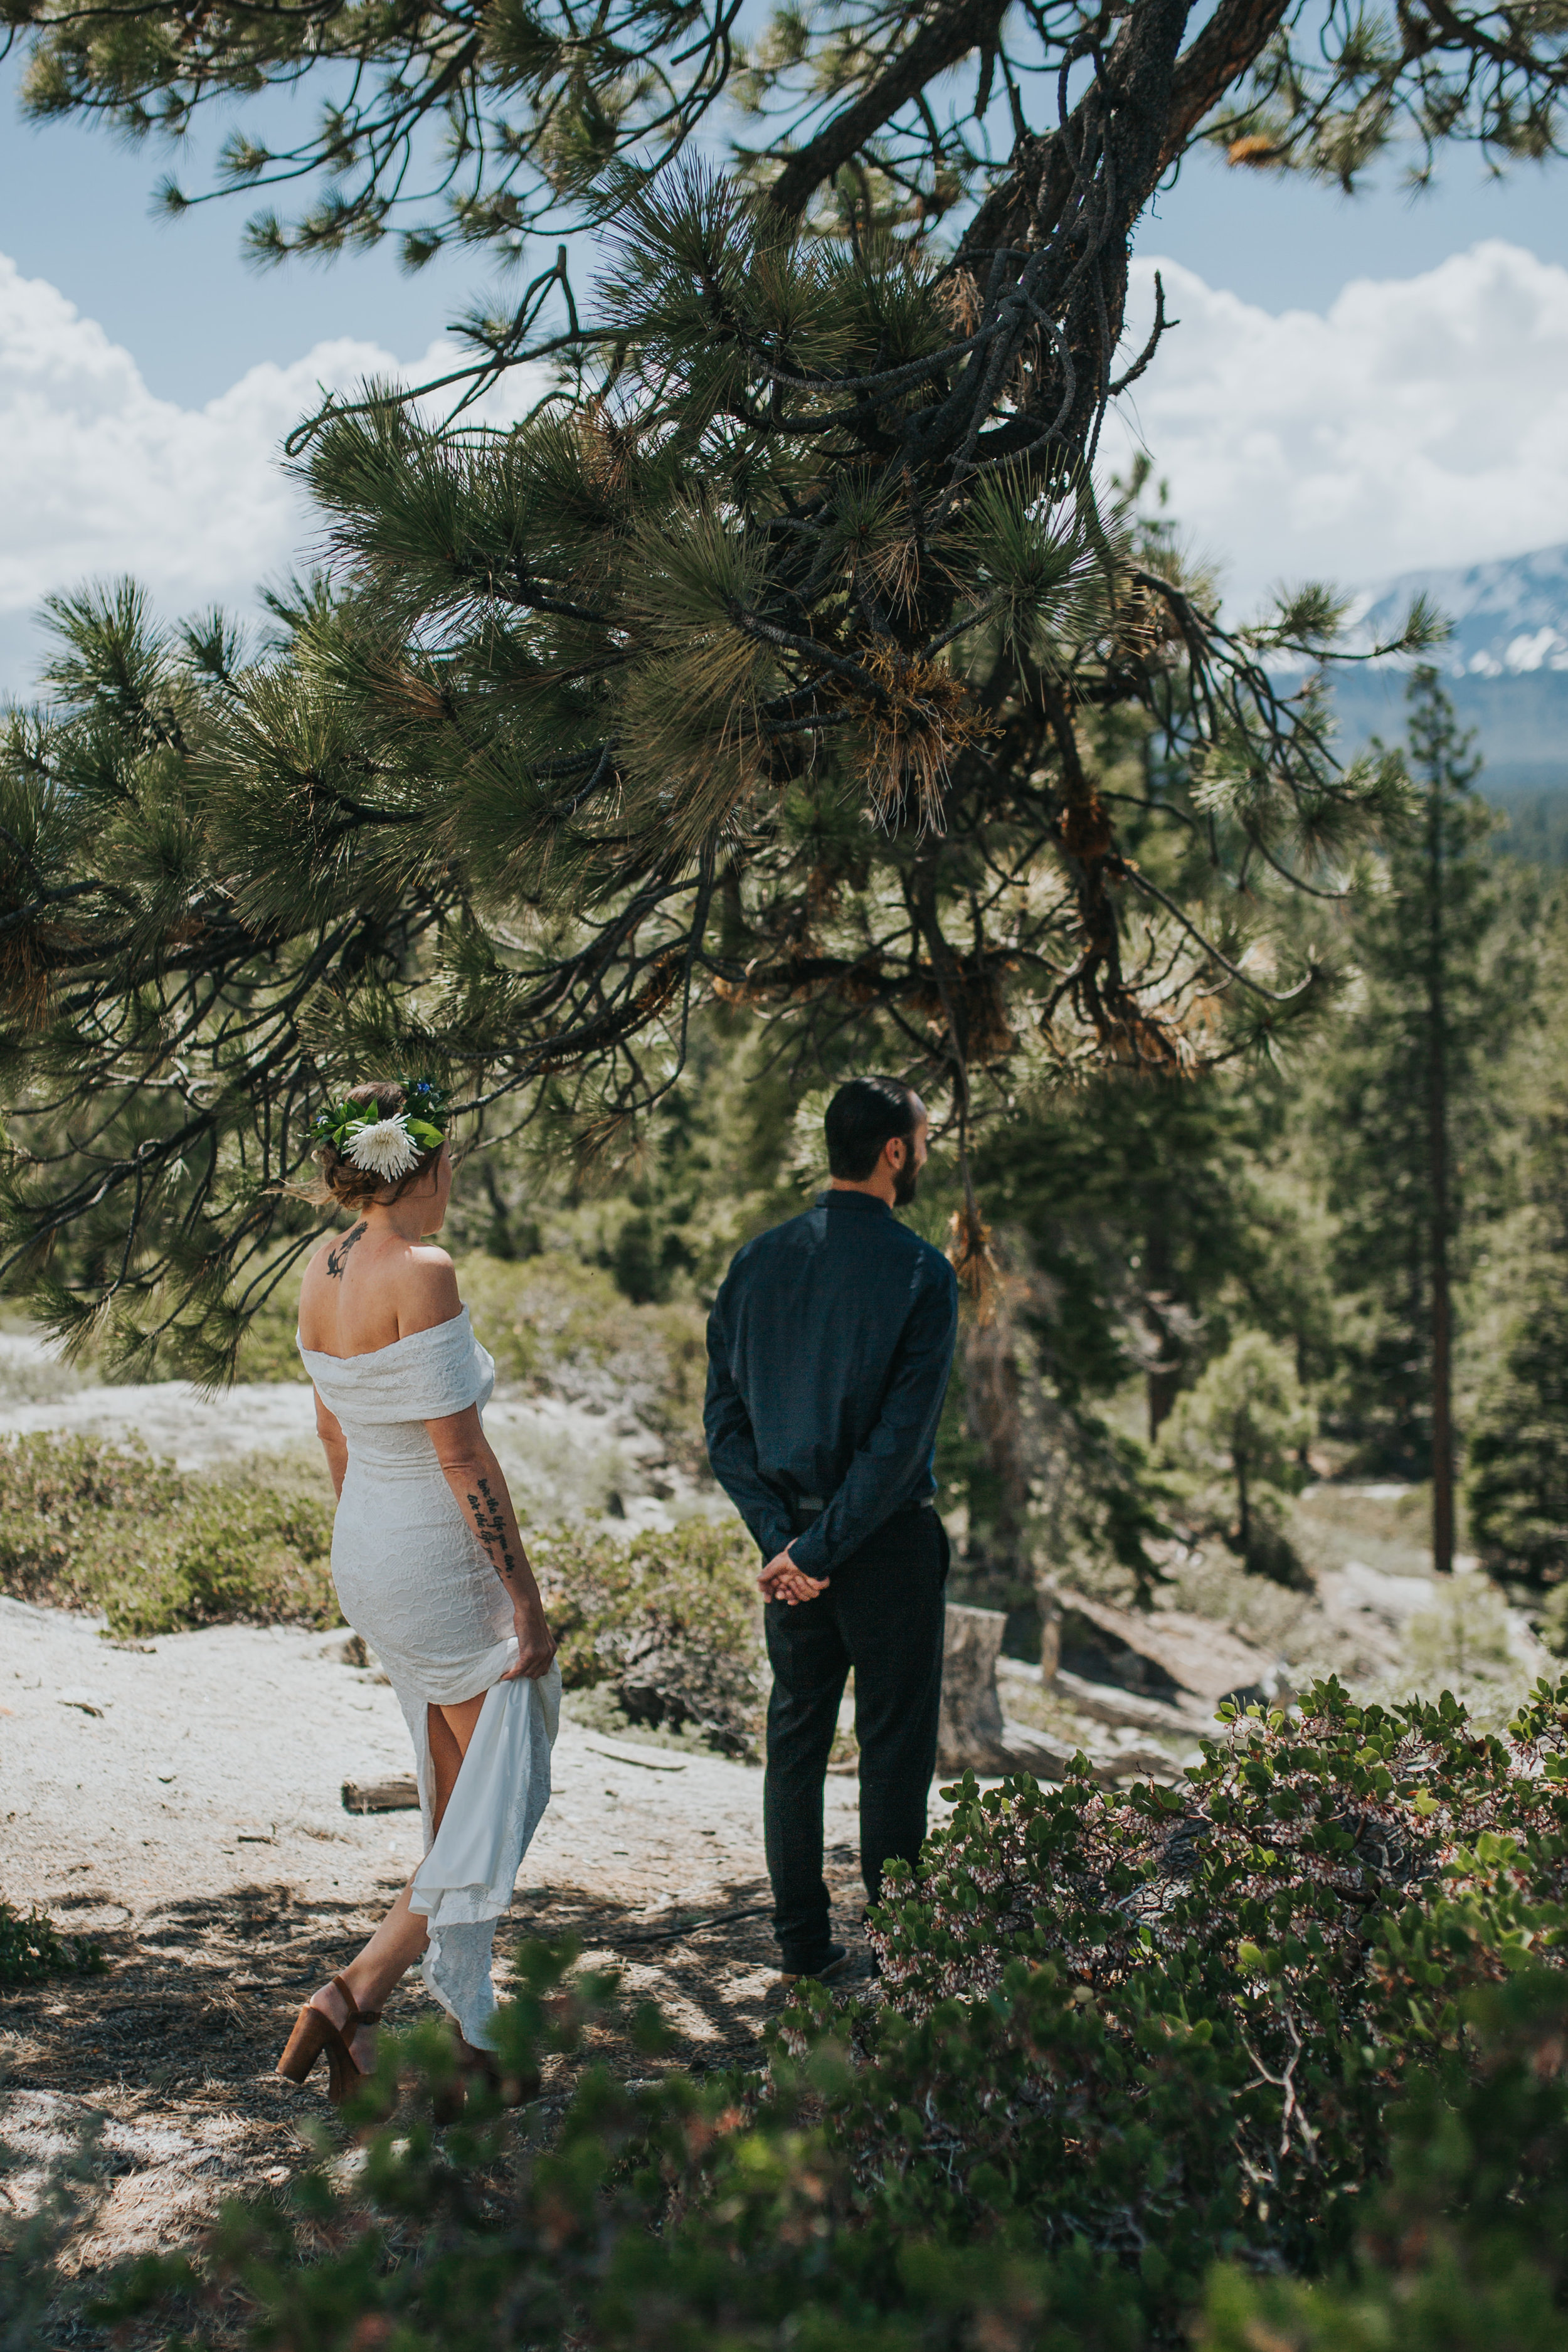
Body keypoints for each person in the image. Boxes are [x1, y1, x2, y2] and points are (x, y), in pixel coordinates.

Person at [275, 1079, 559, 2106]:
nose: (454, 1180)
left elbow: (331, 1431)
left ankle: (429, 2020)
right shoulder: (423, 1269)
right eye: (450, 1161)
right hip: (440, 1561)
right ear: (423, 1165)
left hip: (372, 1546)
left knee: (462, 1795)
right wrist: (524, 1600)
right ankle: (369, 1993)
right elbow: (465, 1455)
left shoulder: (320, 1265)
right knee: (503, 1791)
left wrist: (370, 1539)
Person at [704, 1076, 959, 1981]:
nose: (925, 1153)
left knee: (797, 1744)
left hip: (790, 1554)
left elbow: (724, 1423)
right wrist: (813, 1549)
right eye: (922, 1140)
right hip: (883, 1547)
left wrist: (785, 1542)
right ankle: (903, 1959)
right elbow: (898, 1446)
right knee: (892, 1755)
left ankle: (803, 1949)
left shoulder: (755, 1261)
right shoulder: (925, 1272)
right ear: (894, 1150)